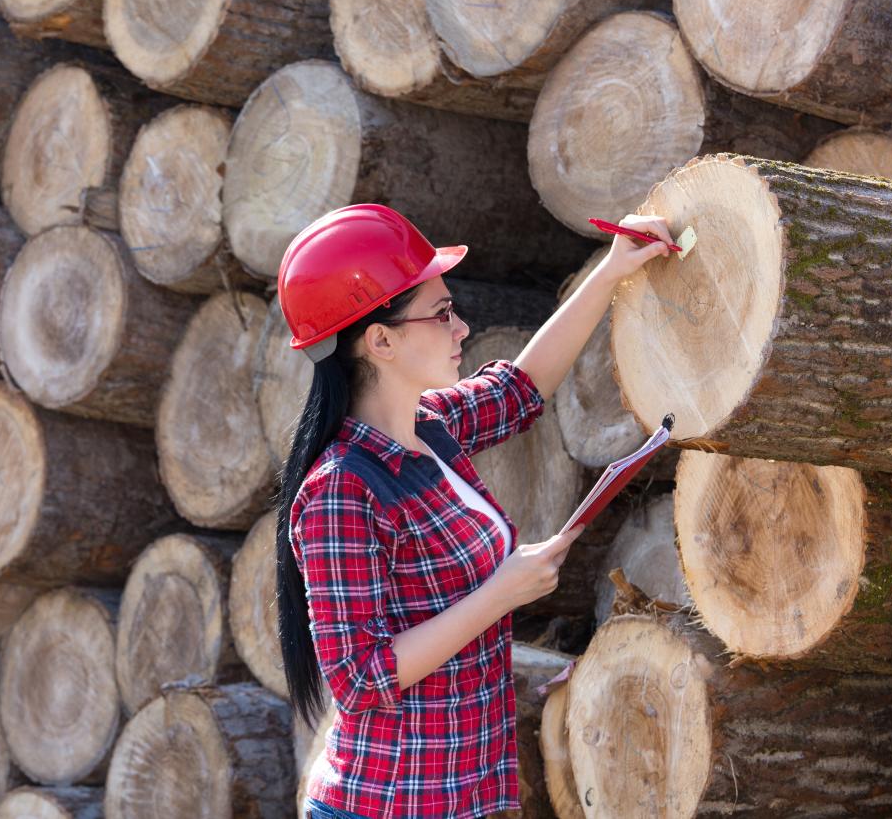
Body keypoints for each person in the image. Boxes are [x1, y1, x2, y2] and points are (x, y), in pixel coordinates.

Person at [275, 203, 674, 819]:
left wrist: (613, 270)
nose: (461, 328)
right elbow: (360, 678)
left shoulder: (430, 428)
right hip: (388, 805)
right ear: (379, 340)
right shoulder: (340, 492)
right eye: (440, 314)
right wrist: (500, 593)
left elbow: (523, 386)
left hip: (462, 800)